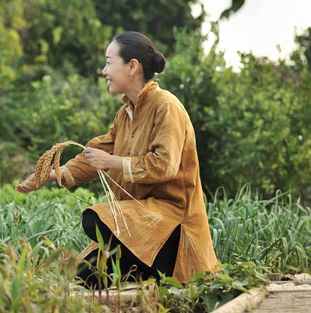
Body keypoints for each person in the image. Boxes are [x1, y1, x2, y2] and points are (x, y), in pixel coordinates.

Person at [17, 31, 218, 285]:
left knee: (93, 219)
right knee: (84, 278)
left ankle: (157, 270)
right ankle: (144, 270)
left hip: (172, 224)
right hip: (139, 224)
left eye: (109, 62)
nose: (103, 71)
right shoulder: (124, 114)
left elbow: (163, 166)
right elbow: (94, 154)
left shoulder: (166, 106)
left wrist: (112, 162)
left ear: (132, 66)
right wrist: (51, 173)